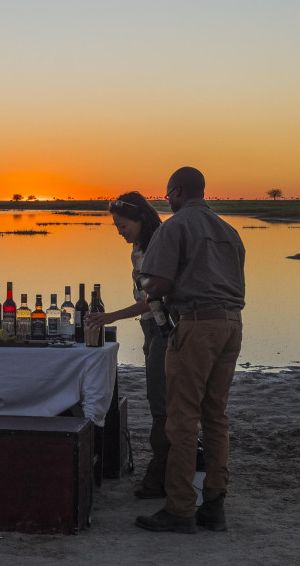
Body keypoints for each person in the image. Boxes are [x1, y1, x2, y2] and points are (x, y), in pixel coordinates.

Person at [135, 167, 245, 534]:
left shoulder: (175, 226)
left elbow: (160, 283)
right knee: (216, 416)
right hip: (232, 325)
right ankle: (215, 504)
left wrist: (144, 281)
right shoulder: (229, 231)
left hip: (196, 325)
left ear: (177, 191)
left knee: (181, 418)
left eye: (167, 194)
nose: (167, 200)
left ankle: (180, 508)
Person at [83, 191, 171, 498]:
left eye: (123, 225)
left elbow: (153, 300)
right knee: (158, 400)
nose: (120, 232)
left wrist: (110, 317)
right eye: (116, 227)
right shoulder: (142, 246)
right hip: (153, 330)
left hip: (165, 330)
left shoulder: (159, 245)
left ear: (140, 218)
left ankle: (160, 479)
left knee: (162, 405)